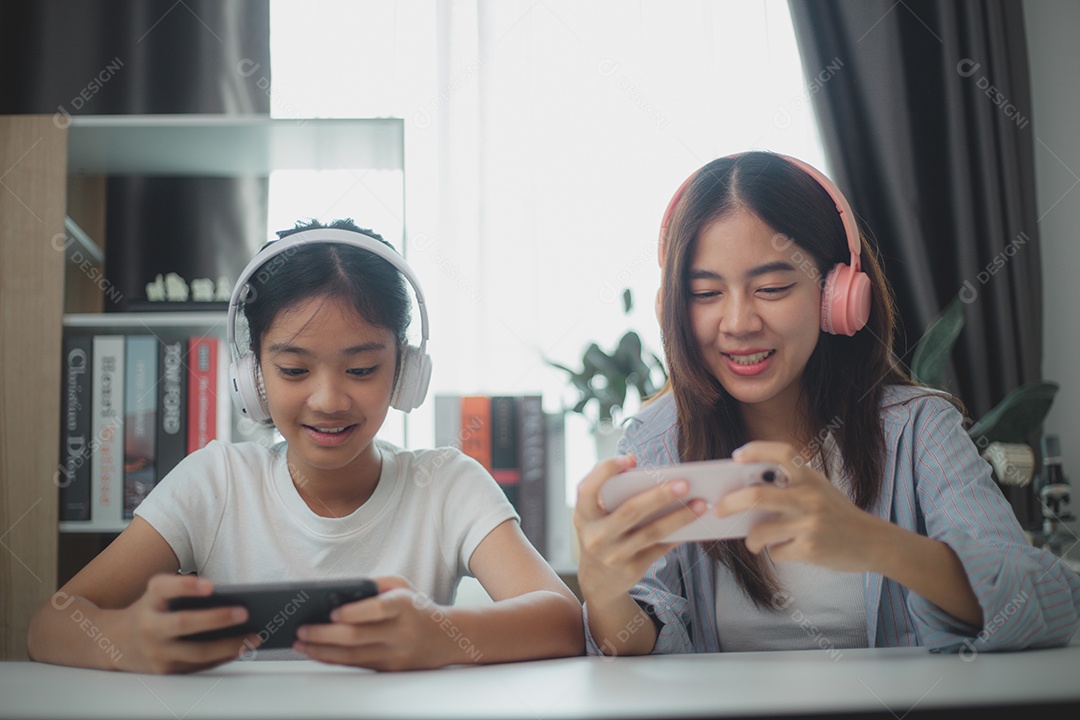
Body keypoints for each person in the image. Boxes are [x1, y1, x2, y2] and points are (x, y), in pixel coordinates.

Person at [573, 151, 1080, 656]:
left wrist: (870, 541)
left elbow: (1048, 603)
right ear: (673, 308)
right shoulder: (657, 439)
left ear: (837, 294)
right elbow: (634, 648)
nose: (738, 322)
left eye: (771, 287)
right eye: (705, 293)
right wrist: (602, 589)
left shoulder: (917, 429)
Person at [28, 219, 583, 673]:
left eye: (362, 368)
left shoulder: (445, 485)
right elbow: (49, 624)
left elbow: (562, 620)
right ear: (252, 376)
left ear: (407, 371)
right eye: (294, 369)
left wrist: (441, 635)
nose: (328, 399)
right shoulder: (217, 481)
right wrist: (127, 638)